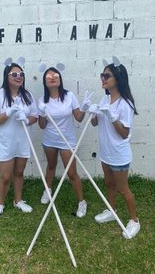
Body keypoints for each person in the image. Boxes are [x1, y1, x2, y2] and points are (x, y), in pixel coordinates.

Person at [89, 59, 140, 239]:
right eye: (102, 75)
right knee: (109, 184)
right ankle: (112, 210)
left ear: (117, 78)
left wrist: (111, 117)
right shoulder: (105, 98)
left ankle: (134, 221)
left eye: (107, 75)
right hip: (105, 152)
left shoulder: (125, 104)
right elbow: (95, 123)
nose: (103, 78)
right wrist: (92, 111)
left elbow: (124, 134)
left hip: (119, 154)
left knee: (123, 189)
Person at [0, 60, 38, 220]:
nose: (19, 77)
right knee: (6, 176)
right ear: (6, 76)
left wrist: (27, 119)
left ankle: (18, 200)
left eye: (21, 74)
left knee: (19, 172)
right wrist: (7, 113)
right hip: (5, 142)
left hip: (22, 141)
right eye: (14, 74)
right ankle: (0, 204)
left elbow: (35, 116)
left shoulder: (27, 95)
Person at [38, 67, 92, 218]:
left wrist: (84, 107)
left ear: (60, 79)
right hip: (50, 140)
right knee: (51, 166)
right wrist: (41, 113)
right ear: (45, 82)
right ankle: (47, 190)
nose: (52, 78)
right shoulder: (42, 101)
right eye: (48, 76)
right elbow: (42, 126)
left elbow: (79, 118)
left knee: (72, 172)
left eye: (55, 75)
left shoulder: (69, 96)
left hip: (67, 140)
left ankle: (82, 202)